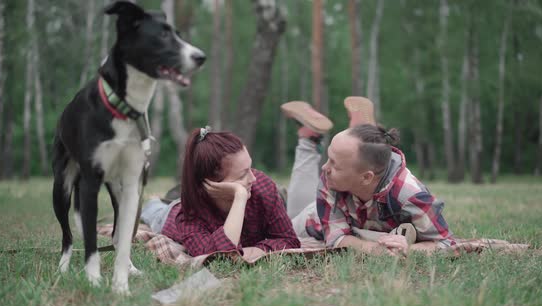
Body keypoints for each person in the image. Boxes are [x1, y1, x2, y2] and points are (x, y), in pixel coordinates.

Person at [281, 97, 455, 256]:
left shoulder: (411, 195)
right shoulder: (331, 179)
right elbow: (337, 239)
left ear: (366, 177)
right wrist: (379, 250)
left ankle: (309, 139)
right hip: (316, 221)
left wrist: (408, 249)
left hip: (358, 219)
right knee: (286, 231)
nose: (325, 168)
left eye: (335, 164)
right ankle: (357, 134)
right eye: (329, 159)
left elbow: (446, 243)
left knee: (289, 221)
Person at [141, 127, 300, 261]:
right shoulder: (187, 216)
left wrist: (255, 250)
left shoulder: (263, 186)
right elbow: (219, 258)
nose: (253, 178)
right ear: (213, 182)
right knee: (154, 211)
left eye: (250, 168)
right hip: (168, 216)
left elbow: (290, 241)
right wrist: (240, 196)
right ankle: (153, 201)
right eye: (242, 175)